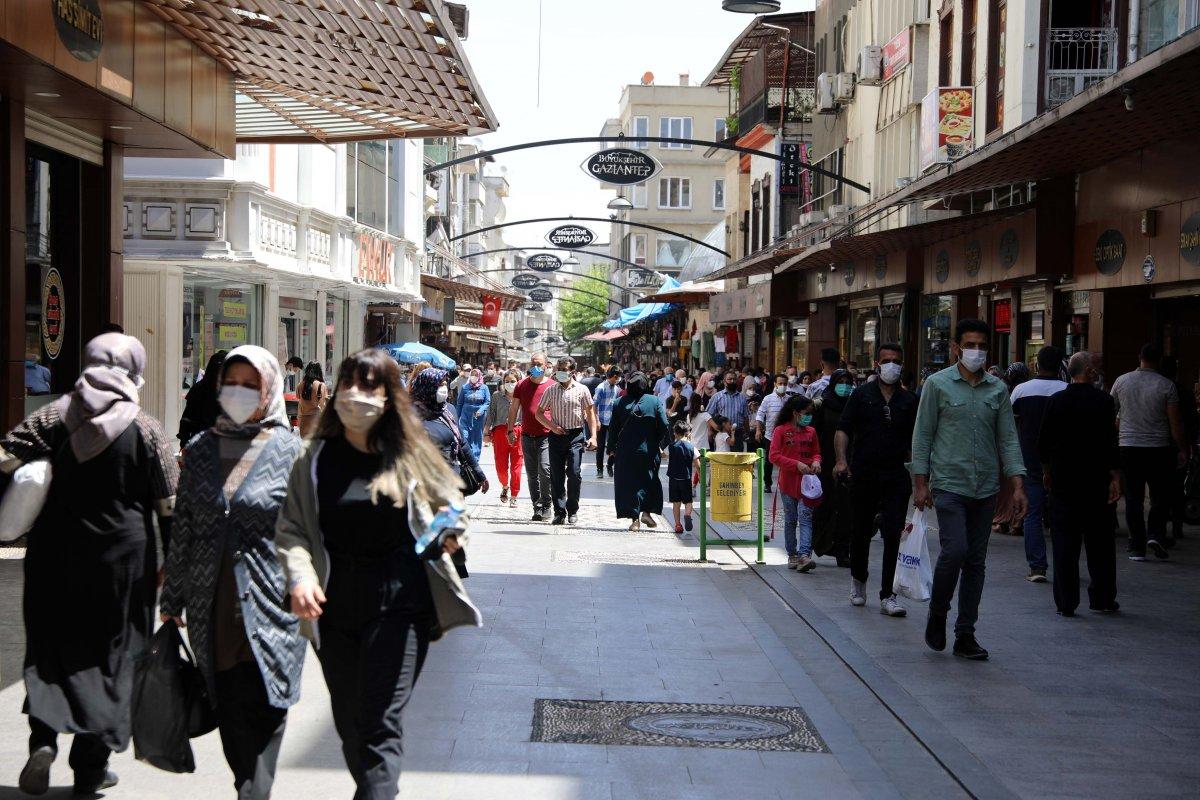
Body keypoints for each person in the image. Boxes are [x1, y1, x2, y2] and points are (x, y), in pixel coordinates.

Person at [276, 348, 480, 800]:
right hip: (335, 608)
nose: (355, 395)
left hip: (401, 605)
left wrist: (447, 534)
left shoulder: (411, 453)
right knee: (351, 726)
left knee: (379, 723)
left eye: (369, 386)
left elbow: (453, 509)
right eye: (348, 384)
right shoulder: (312, 459)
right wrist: (300, 576)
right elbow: (291, 528)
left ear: (389, 397)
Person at [1, 333, 178, 796]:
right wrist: (172, 565)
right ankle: (90, 767)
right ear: (134, 370)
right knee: (113, 657)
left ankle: (43, 742)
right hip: (123, 566)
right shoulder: (145, 427)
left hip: (53, 557)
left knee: (51, 649)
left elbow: (4, 457)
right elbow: (169, 505)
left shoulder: (53, 415)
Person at [160, 345, 305, 799]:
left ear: (270, 390)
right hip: (213, 602)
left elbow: (308, 532)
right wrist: (172, 599)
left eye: (250, 385)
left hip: (272, 601)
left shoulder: (290, 451)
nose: (239, 393)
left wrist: (307, 584)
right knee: (228, 704)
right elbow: (183, 526)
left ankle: (253, 789)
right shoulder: (202, 449)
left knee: (268, 703)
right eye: (231, 384)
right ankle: (248, 784)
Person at [913, 319, 1026, 661]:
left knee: (976, 561)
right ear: (956, 348)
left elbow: (1008, 439)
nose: (975, 351)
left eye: (981, 345)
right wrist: (920, 483)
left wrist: (1018, 485)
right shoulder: (937, 385)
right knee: (955, 550)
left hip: (986, 487)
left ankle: (965, 634)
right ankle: (938, 612)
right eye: (969, 345)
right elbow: (923, 435)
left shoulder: (997, 390)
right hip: (949, 484)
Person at [834, 343, 918, 616]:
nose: (891, 365)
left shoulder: (909, 401)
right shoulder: (861, 395)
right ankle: (858, 581)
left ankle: (889, 595)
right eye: (886, 360)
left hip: (896, 475)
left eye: (896, 360)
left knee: (894, 533)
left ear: (902, 365)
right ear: (876, 363)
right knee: (860, 531)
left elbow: (918, 440)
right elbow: (843, 429)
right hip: (864, 473)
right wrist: (841, 460)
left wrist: (921, 478)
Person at [1038, 352, 1122, 616]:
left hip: (1064, 483)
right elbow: (1111, 443)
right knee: (1101, 545)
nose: (1098, 371)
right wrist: (1115, 477)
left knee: (1065, 544)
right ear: (1088, 371)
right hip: (1096, 482)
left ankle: (1066, 601)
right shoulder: (1105, 402)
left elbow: (1043, 444)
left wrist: (1047, 471)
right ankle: (1103, 598)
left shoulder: (1056, 401)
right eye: (1096, 367)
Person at [1110, 344, 1190, 560]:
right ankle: (1155, 533)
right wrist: (1182, 448)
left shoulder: (1121, 381)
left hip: (1128, 446)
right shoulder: (1167, 385)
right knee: (1159, 495)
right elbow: (1175, 422)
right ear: (1159, 360)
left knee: (1133, 497)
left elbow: (1112, 413)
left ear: (1139, 357)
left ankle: (1137, 546)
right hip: (1159, 449)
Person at [1009, 347, 1067, 581]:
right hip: (1061, 463)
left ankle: (1037, 566)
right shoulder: (1067, 390)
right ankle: (1065, 565)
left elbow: (1010, 427)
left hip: (1029, 459)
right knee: (1061, 513)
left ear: (1036, 365)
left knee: (1032, 513)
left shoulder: (1021, 391)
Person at [534, 357, 598, 525]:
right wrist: (552, 426)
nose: (561, 372)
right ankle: (559, 512)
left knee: (574, 473)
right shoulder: (551, 390)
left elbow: (590, 413)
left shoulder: (582, 389)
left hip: (576, 436)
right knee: (556, 476)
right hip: (556, 437)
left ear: (572, 371)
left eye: (565, 369)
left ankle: (573, 509)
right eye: (559, 368)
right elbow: (539, 413)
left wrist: (593, 436)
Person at [409, 368, 489, 497]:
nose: (443, 388)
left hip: (452, 480)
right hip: (423, 484)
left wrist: (479, 473)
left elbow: (462, 443)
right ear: (427, 387)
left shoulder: (449, 410)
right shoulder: (410, 413)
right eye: (439, 385)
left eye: (445, 384)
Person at [608, 372, 670, 531]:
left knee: (628, 484)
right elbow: (664, 425)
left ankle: (634, 520)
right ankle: (647, 512)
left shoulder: (618, 403)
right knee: (649, 481)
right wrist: (657, 441)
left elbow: (613, 430)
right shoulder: (654, 401)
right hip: (648, 451)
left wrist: (611, 450)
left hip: (625, 452)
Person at [769, 395, 822, 571]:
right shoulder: (781, 431)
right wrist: (796, 465)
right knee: (791, 520)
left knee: (806, 519)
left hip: (808, 485)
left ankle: (804, 555)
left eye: (810, 413)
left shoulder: (811, 432)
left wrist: (816, 461)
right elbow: (774, 456)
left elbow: (816, 452)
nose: (809, 416)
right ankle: (792, 554)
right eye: (806, 413)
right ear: (795, 413)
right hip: (788, 484)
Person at [811, 370, 855, 567]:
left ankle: (842, 550)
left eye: (848, 382)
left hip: (848, 461)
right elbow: (812, 433)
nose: (844, 385)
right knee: (824, 503)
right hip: (824, 463)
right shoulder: (823, 404)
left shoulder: (854, 405)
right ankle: (821, 543)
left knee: (846, 506)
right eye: (841, 381)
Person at [1160, 355, 1199, 543]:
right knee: (1177, 487)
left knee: (1159, 488)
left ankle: (1159, 527)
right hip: (1177, 445)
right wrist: (1188, 444)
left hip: (1158, 443)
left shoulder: (1157, 389)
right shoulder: (1184, 393)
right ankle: (1176, 525)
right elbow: (1191, 421)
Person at [510, 352, 553, 522]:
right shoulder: (521, 385)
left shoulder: (552, 386)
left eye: (539, 364)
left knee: (545, 470)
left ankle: (547, 504)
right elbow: (514, 409)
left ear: (546, 365)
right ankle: (537, 506)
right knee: (531, 474)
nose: (536, 367)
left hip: (546, 436)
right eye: (533, 363)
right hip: (527, 435)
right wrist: (510, 430)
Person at [484, 369, 522, 506]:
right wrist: (486, 432)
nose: (510, 384)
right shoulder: (496, 396)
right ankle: (505, 486)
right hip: (500, 432)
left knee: (517, 466)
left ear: (518, 382)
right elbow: (490, 414)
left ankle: (514, 495)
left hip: (518, 431)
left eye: (513, 381)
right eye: (507, 381)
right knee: (501, 467)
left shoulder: (522, 396)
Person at [178, 349, 229, 447]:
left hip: (200, 444)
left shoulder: (199, 388)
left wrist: (184, 439)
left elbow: (187, 417)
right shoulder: (230, 391)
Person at [755, 373, 790, 491]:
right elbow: (760, 414)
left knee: (786, 460)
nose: (783, 386)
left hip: (787, 436)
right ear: (775, 384)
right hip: (770, 435)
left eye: (785, 384)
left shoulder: (789, 400)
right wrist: (758, 430)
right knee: (769, 461)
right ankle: (768, 483)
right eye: (780, 383)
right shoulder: (768, 398)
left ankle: (785, 483)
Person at [707, 370, 750, 452]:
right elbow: (709, 416)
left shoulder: (742, 398)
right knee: (723, 458)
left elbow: (746, 417)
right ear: (724, 381)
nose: (732, 381)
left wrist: (747, 432)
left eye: (734, 379)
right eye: (729, 379)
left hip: (738, 433)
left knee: (737, 459)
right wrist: (710, 430)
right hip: (722, 433)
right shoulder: (717, 397)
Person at [666, 421, 697, 534]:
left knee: (676, 503)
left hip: (673, 479)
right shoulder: (691, 447)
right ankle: (687, 515)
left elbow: (663, 454)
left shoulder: (671, 446)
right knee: (688, 501)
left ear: (675, 433)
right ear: (687, 433)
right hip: (686, 479)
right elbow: (697, 463)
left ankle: (678, 525)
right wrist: (700, 473)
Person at [455, 367, 490, 461]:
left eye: (476, 375)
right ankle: (467, 456)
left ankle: (475, 459)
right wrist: (456, 417)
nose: (473, 377)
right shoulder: (465, 387)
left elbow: (487, 402)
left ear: (479, 376)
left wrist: (481, 410)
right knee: (465, 436)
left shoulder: (484, 388)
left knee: (476, 437)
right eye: (472, 375)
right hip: (465, 415)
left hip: (478, 416)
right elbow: (459, 403)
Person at [592, 367, 621, 478]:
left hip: (613, 421)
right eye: (617, 377)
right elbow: (594, 405)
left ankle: (610, 465)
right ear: (614, 376)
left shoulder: (617, 389)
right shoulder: (601, 388)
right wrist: (597, 420)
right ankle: (599, 469)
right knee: (600, 447)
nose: (618, 379)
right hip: (601, 421)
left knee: (614, 445)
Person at [297, 360, 329, 437]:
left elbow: (299, 399)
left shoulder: (300, 385)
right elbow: (323, 405)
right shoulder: (321, 385)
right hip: (316, 421)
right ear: (319, 371)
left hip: (303, 421)